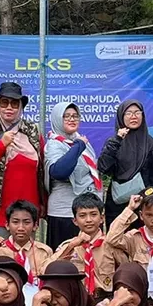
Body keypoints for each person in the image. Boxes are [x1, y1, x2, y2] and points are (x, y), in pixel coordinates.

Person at [0, 82, 45, 238]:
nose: (9, 107)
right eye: (4, 103)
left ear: (21, 107)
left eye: (14, 103)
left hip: (27, 212)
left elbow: (42, 170)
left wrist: (43, 203)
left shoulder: (33, 131)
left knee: (25, 258)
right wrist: (1, 145)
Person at [45, 101, 103, 249]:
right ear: (58, 119)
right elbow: (59, 172)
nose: (72, 119)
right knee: (65, 260)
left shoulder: (79, 140)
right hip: (64, 214)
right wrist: (78, 146)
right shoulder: (55, 144)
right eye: (66, 116)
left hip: (85, 213)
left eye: (75, 116)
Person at [52, 193, 125, 300]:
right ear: (75, 221)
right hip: (76, 299)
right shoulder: (68, 245)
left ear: (102, 218)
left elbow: (125, 269)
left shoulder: (110, 245)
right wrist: (72, 245)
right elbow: (50, 269)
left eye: (93, 214)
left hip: (106, 298)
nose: (88, 220)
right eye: (82, 216)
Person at [98, 100, 153, 227]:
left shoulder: (150, 142)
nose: (133, 116)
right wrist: (117, 141)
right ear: (121, 117)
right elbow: (103, 167)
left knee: (141, 243)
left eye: (137, 112)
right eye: (128, 113)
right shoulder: (114, 141)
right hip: (117, 203)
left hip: (143, 202)